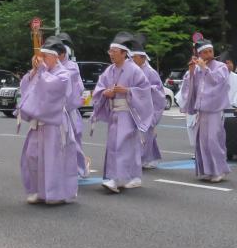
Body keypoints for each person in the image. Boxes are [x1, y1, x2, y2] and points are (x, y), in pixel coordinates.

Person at [91, 33, 155, 193]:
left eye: (114, 51)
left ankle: (116, 179)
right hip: (115, 112)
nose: (111, 54)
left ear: (124, 53)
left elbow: (145, 91)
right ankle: (132, 176)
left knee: (121, 145)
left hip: (127, 112)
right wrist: (106, 92)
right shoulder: (109, 70)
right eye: (110, 51)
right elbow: (99, 88)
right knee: (118, 145)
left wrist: (127, 91)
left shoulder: (134, 70)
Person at [17, 40, 78, 204]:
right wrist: (34, 72)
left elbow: (54, 88)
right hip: (38, 121)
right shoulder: (41, 71)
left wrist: (41, 71)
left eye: (44, 56)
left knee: (53, 158)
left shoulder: (63, 74)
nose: (41, 59)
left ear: (54, 57)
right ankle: (37, 190)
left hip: (54, 122)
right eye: (40, 56)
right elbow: (26, 87)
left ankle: (55, 193)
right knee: (32, 155)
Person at [180, 39, 232, 183]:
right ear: (199, 54)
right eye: (205, 52)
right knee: (202, 142)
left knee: (213, 140)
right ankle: (208, 170)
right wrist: (191, 73)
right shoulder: (196, 68)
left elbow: (218, 81)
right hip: (201, 110)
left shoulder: (220, 66)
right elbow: (189, 87)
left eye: (210, 51)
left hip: (214, 110)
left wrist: (205, 69)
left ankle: (219, 170)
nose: (208, 54)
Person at [49, 32, 89, 178]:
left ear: (63, 53)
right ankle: (61, 168)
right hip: (54, 111)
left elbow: (63, 81)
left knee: (72, 141)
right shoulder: (51, 67)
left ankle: (78, 168)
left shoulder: (71, 67)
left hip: (68, 110)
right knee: (56, 142)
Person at [129, 37, 167, 170]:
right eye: (131, 58)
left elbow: (159, 91)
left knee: (146, 135)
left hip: (147, 108)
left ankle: (144, 159)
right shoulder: (132, 71)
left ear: (143, 58)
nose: (132, 60)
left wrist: (145, 90)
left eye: (134, 58)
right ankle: (146, 158)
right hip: (135, 107)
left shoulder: (150, 72)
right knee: (139, 136)